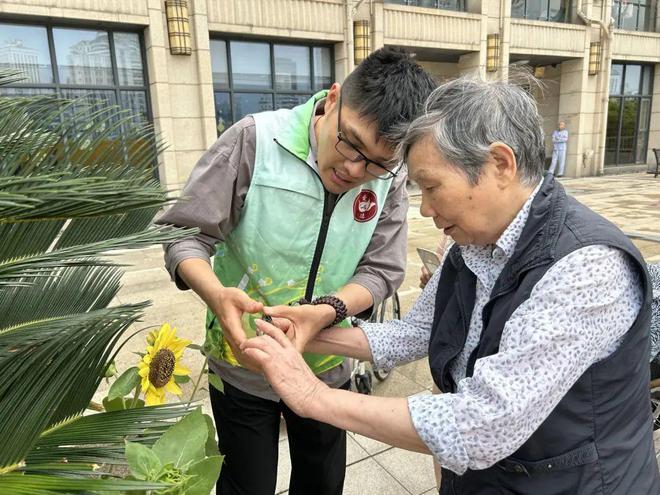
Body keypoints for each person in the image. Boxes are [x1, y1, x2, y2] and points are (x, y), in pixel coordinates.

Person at [243, 76, 660, 494]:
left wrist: (312, 396)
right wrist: (311, 333)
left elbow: (481, 424)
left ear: (500, 164)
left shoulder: (587, 267)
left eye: (431, 186)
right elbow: (418, 331)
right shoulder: (474, 243)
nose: (424, 208)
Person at [156, 47, 436, 495]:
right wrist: (215, 294)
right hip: (240, 359)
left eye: (377, 163)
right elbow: (184, 233)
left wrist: (327, 310)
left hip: (326, 368)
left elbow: (382, 270)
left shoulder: (391, 178)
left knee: (322, 483)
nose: (353, 169)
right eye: (350, 142)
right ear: (333, 98)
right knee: (248, 485)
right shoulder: (254, 140)